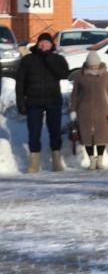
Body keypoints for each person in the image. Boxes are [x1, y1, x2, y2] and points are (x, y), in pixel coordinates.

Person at [15, 31, 71, 173]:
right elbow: (20, 82)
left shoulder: (57, 58)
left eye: (47, 42)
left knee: (55, 132)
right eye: (41, 42)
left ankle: (56, 161)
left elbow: (63, 74)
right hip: (33, 101)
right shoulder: (28, 59)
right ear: (37, 44)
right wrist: (21, 102)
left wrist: (48, 58)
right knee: (34, 132)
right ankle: (34, 163)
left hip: (53, 100)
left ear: (52, 44)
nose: (44, 44)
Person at [70, 50, 108, 170]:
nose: (93, 67)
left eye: (95, 65)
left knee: (101, 135)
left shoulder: (106, 75)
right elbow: (74, 94)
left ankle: (99, 159)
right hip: (84, 109)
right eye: (91, 66)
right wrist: (73, 110)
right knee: (87, 136)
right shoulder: (80, 75)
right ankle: (91, 160)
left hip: (102, 109)